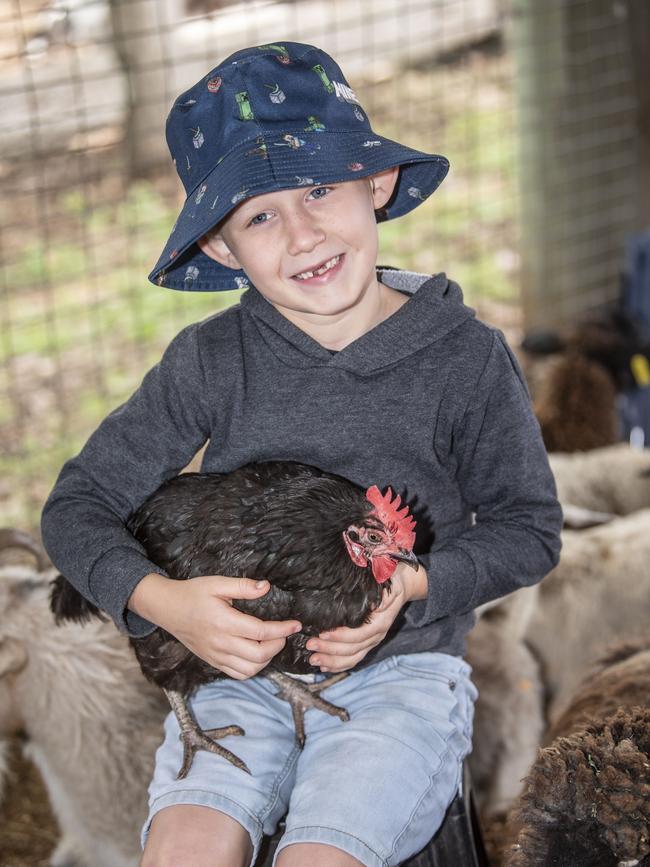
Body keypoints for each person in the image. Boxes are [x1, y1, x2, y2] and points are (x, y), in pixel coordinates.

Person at [41, 41, 562, 867]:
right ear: (220, 247)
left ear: (378, 183)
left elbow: (529, 529)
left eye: (321, 187)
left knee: (320, 854)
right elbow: (75, 507)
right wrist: (162, 603)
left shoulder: (463, 357)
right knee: (183, 848)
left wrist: (411, 585)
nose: (304, 231)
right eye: (259, 215)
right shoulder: (210, 361)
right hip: (231, 674)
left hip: (402, 672)